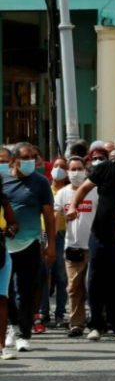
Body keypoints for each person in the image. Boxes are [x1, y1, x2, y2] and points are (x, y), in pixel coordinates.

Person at [68, 132, 115, 342]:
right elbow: (84, 188)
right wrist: (73, 206)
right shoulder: (104, 168)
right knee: (95, 280)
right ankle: (95, 324)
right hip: (100, 234)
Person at [2, 142, 56, 352]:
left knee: (26, 290)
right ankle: (12, 326)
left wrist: (51, 245)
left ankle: (24, 333)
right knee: (4, 292)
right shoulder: (3, 179)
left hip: (30, 243)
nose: (30, 162)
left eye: (33, 157)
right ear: (14, 160)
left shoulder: (40, 182)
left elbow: (49, 216)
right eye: (25, 158)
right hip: (4, 245)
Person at [53, 157, 98, 338]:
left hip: (94, 246)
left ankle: (97, 320)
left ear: (86, 171)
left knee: (93, 286)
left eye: (79, 168)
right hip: (72, 246)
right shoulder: (62, 193)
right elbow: (55, 218)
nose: (76, 172)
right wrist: (48, 241)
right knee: (74, 287)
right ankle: (76, 324)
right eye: (72, 169)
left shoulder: (95, 192)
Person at [41, 156, 69, 329]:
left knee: (61, 276)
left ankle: (60, 313)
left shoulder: (69, 191)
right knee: (44, 275)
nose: (58, 169)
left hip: (62, 235)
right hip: (43, 234)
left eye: (62, 166)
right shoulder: (45, 189)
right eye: (56, 166)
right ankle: (44, 312)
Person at [0, 179, 20, 359]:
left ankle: (1, 347)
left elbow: (14, 223)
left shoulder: (2, 199)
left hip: (1, 254)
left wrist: (10, 230)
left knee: (2, 299)